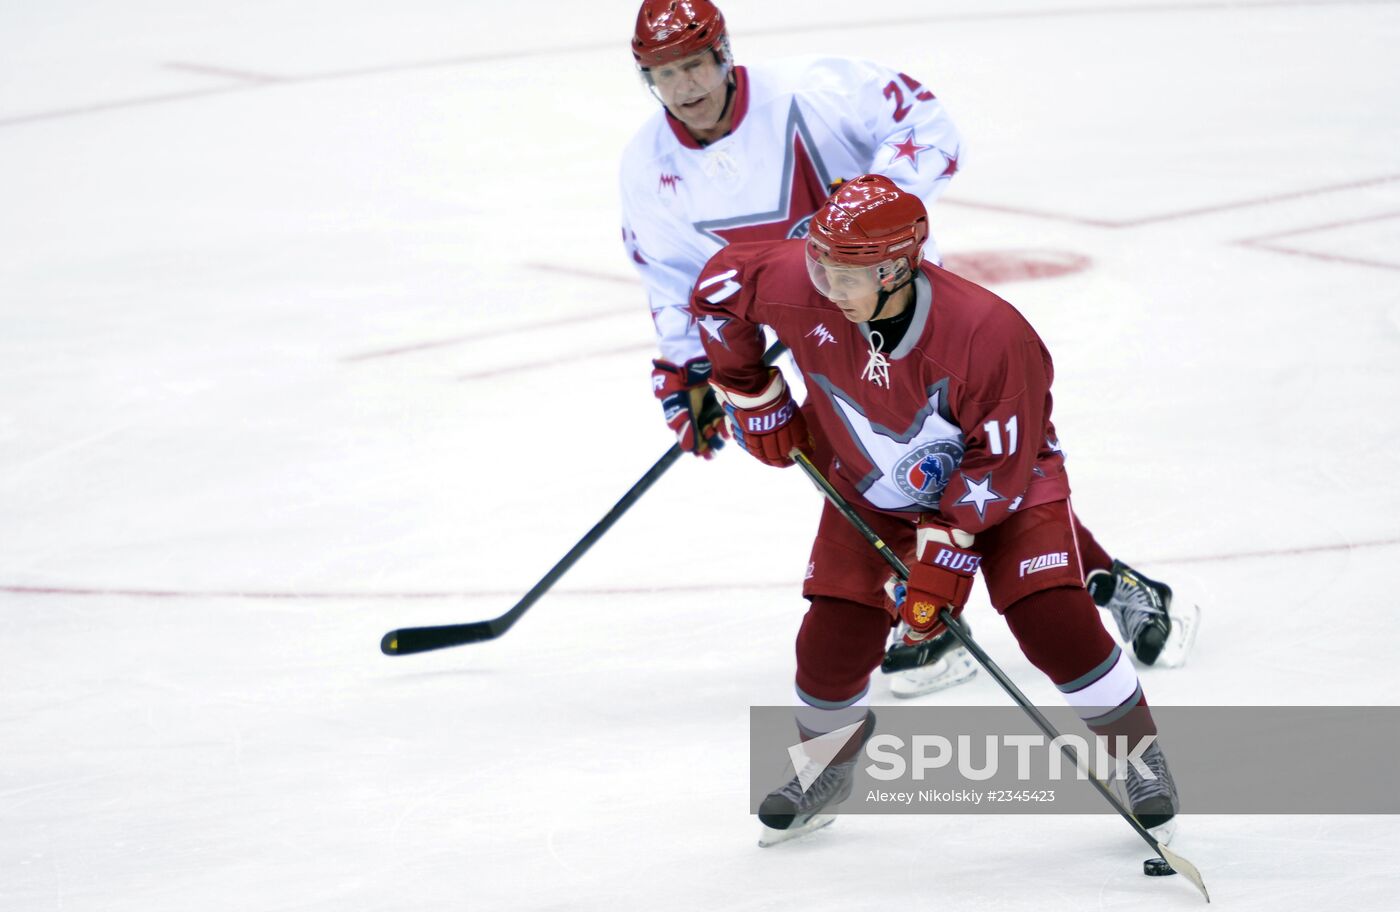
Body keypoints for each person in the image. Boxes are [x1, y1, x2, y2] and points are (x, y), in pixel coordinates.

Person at [620, 0, 1195, 693]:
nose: (683, 88)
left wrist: (873, 202)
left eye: (692, 65)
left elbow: (928, 124)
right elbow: (674, 275)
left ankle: (1086, 587)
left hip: (902, 312)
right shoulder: (646, 168)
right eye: (662, 73)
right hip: (801, 326)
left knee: (964, 466)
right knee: (871, 474)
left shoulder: (817, 89)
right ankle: (941, 620)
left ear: (723, 55)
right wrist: (686, 368)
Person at [689, 174, 1182, 843]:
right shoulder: (807, 285)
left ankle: (1138, 758)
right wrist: (751, 392)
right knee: (829, 642)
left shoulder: (989, 334)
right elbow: (719, 288)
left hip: (1006, 490)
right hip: (874, 484)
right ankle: (825, 766)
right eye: (820, 266)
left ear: (896, 269)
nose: (827, 288)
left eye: (846, 275)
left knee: (1053, 622)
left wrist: (941, 555)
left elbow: (1000, 465)